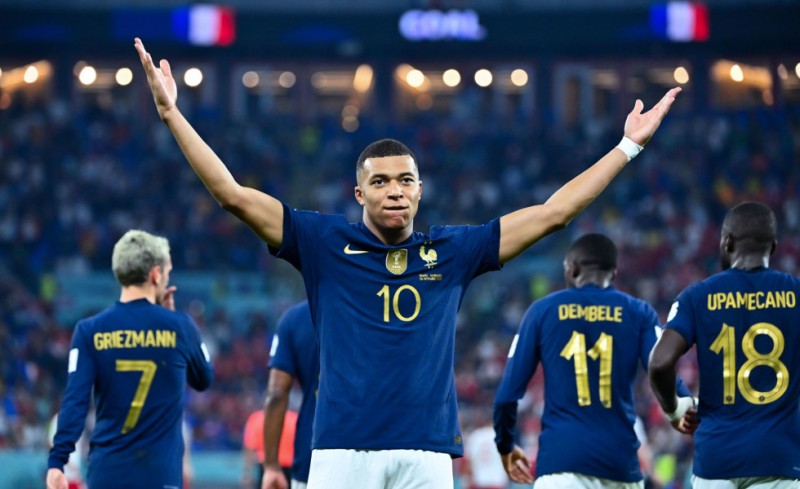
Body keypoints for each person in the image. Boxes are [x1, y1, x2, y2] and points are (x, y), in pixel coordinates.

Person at [135, 37, 680, 488]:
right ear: (359, 193)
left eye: (405, 180)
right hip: (341, 452)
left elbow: (553, 214)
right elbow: (232, 194)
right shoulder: (322, 241)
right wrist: (171, 114)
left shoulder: (453, 251)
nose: (394, 190)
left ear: (420, 190)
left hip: (426, 453)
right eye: (380, 182)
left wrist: (627, 147)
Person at [493, 233, 697, 488]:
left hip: (561, 465)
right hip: (620, 466)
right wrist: (680, 408)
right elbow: (661, 365)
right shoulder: (639, 312)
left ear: (572, 268)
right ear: (613, 272)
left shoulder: (541, 312)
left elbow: (507, 396)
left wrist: (505, 444)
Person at [46, 230, 214, 489]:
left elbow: (75, 400)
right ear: (155, 274)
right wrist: (174, 320)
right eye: (167, 272)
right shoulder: (180, 326)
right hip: (160, 478)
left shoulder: (89, 330)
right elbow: (204, 378)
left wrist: (57, 462)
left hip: (107, 476)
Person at [649, 202, 800, 489]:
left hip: (716, 461)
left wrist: (674, 411)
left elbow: (659, 362)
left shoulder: (697, 296)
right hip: (779, 458)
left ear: (727, 242)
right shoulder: (796, 294)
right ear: (773, 247)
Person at [261, 301, 319, 489]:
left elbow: (276, 393)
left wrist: (271, 466)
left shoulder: (295, 319)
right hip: (373, 449)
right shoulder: (374, 308)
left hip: (313, 453)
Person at [243, 407, 297, 488]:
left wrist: (247, 474)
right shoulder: (294, 418)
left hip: (267, 469)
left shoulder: (257, 419)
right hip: (288, 470)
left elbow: (250, 448)